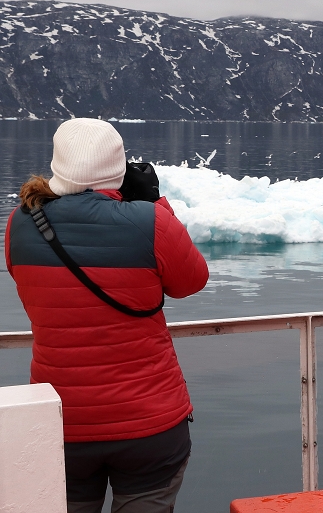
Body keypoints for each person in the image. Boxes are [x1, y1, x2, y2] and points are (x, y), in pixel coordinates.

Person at [5, 118, 209, 512]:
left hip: (61, 424)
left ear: (58, 164)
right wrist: (152, 203)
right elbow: (191, 282)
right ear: (119, 167)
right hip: (150, 423)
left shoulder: (19, 224)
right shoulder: (150, 222)